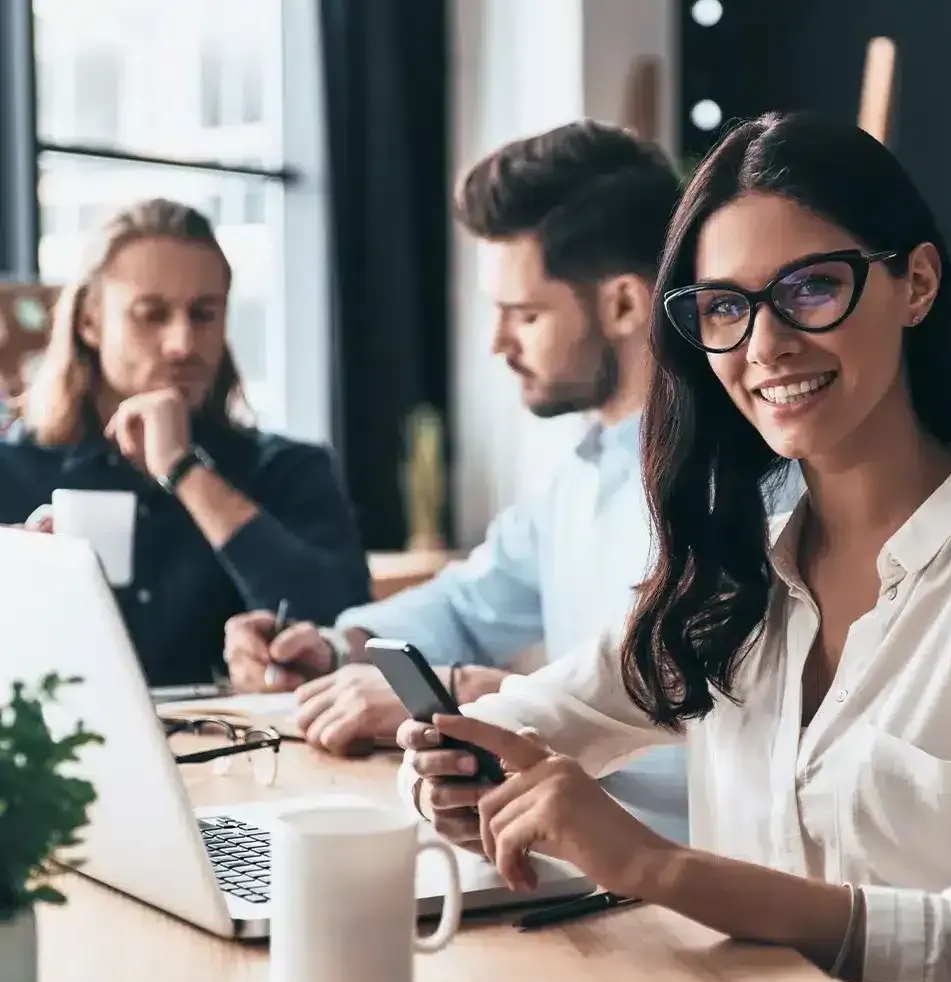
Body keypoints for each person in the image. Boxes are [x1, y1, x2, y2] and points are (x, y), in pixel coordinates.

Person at [398, 110, 951, 982]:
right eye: (726, 306)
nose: (764, 345)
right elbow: (528, 721)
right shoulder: (732, 571)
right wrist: (446, 774)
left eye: (811, 288)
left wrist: (660, 867)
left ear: (916, 283)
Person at [222, 120, 688, 760]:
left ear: (624, 306)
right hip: (559, 830)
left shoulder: (728, 478)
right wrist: (334, 647)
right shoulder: (580, 469)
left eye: (525, 315)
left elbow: (687, 715)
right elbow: (469, 606)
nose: (498, 343)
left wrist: (465, 693)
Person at [0, 199, 371, 686]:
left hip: (246, 754)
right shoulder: (11, 471)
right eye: (151, 315)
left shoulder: (288, 469)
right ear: (89, 323)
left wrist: (184, 471)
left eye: (204, 314)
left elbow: (343, 628)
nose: (182, 343)